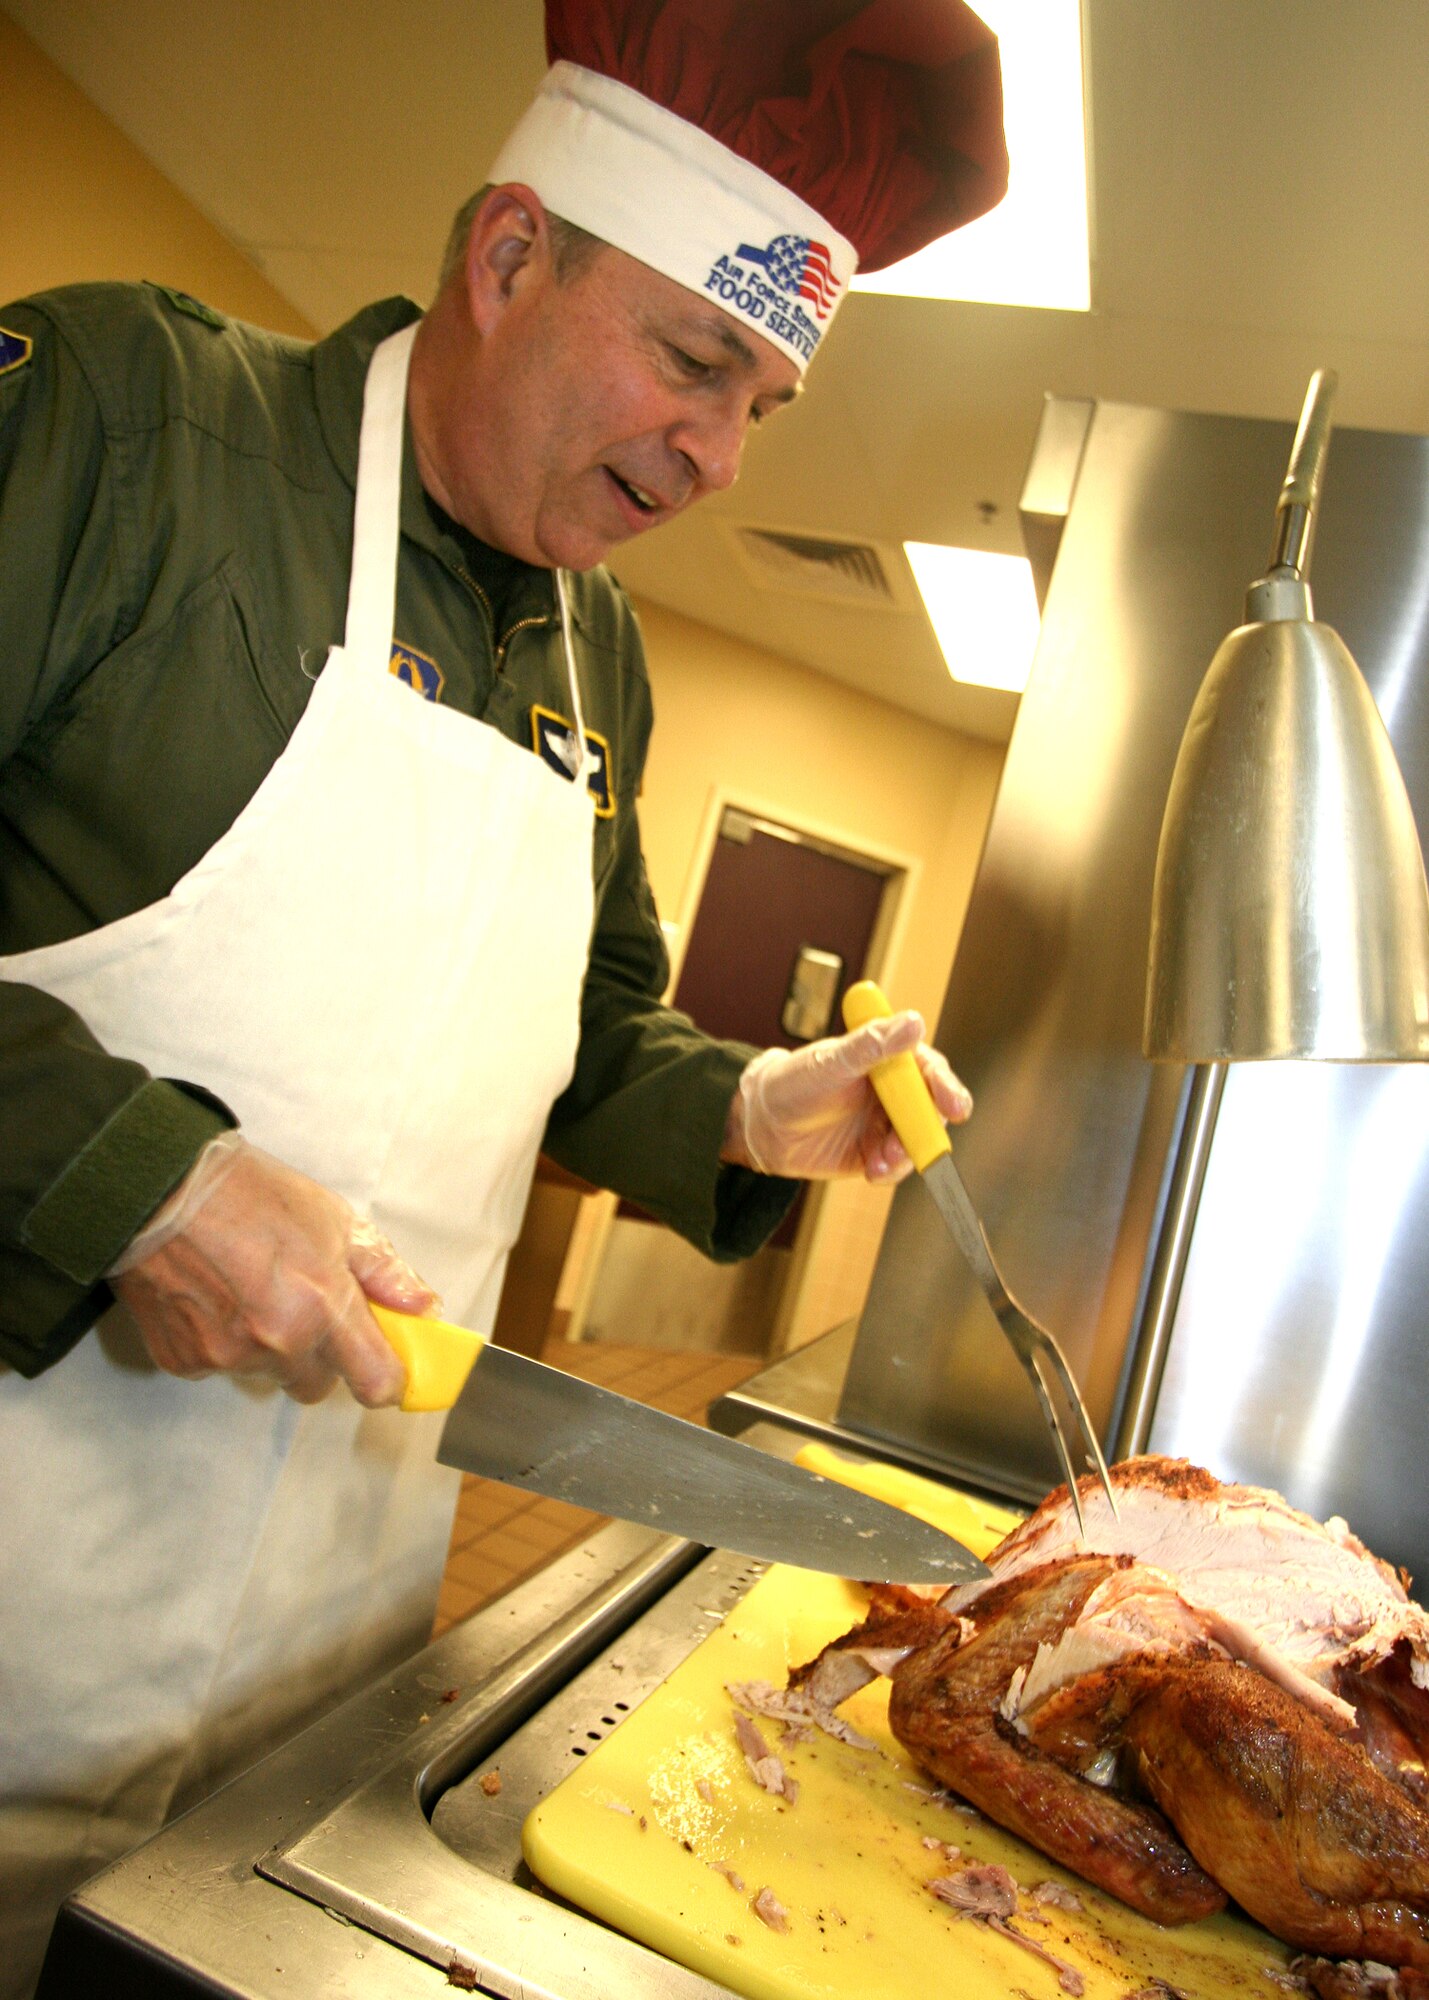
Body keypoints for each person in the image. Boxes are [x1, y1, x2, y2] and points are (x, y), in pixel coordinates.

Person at [0, 1, 1007, 1988]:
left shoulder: (595, 657)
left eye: (763, 408)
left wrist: (743, 1104)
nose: (716, 452)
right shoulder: (123, 422)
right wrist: (131, 1180)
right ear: (509, 256)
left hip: (316, 1676)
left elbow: (590, 1033)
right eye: (696, 359)